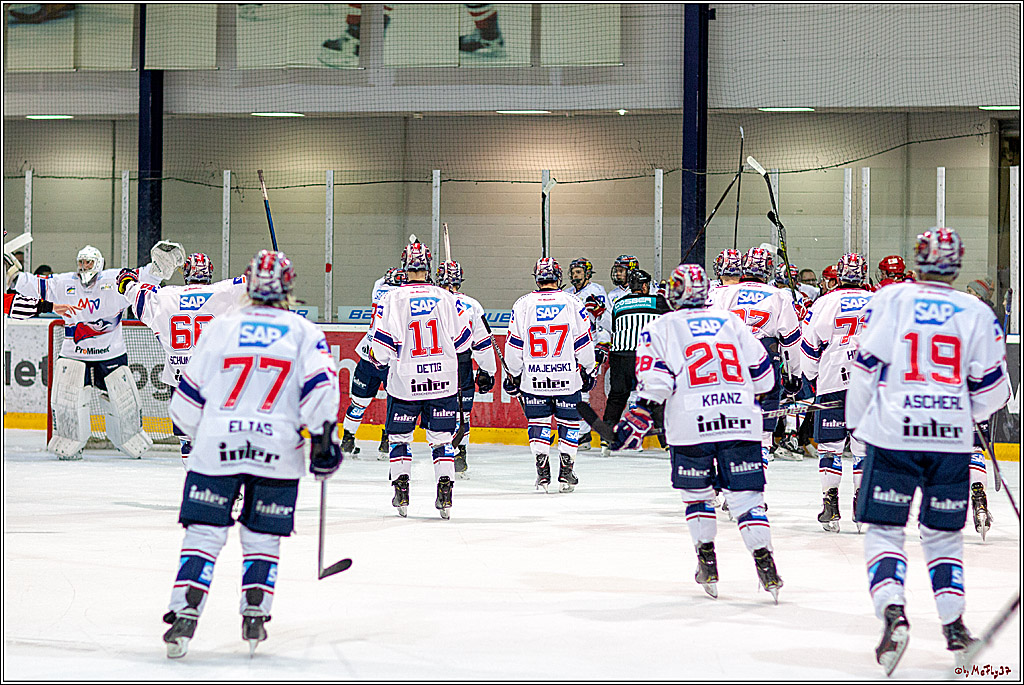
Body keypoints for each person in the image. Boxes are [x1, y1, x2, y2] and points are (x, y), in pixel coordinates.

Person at [161, 249, 341, 659]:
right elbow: (322, 391)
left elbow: (187, 401)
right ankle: (256, 609)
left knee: (204, 534)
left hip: (216, 446)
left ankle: (185, 609)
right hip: (277, 449)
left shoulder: (221, 327)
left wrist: (194, 429)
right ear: (289, 286)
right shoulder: (303, 331)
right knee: (263, 536)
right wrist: (323, 440)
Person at [846, 227, 1010, 675]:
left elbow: (864, 368)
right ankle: (956, 628)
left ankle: (894, 616)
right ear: (956, 264)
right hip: (950, 443)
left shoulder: (892, 299)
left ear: (917, 262)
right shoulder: (976, 310)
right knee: (943, 538)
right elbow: (997, 391)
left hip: (893, 437)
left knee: (884, 531)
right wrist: (959, 413)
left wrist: (859, 423)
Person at [611, 263, 782, 601]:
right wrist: (753, 401)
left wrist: (638, 417)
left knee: (698, 497)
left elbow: (657, 382)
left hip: (691, 425)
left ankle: (707, 562)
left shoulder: (659, 327)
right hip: (739, 420)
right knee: (747, 499)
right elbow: (764, 374)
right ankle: (765, 562)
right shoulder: (730, 320)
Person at [10, 242, 180, 460]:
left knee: (124, 404)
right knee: (66, 402)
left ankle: (129, 438)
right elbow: (35, 284)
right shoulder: (64, 283)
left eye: (88, 262)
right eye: (81, 262)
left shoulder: (115, 279)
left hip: (111, 356)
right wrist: (13, 275)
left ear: (98, 263)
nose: (84, 266)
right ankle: (70, 441)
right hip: (74, 355)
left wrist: (160, 267)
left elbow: (144, 277)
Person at [117, 253, 248, 466]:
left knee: (188, 441)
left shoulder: (165, 296)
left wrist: (127, 280)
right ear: (209, 272)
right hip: (216, 379)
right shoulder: (225, 291)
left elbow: (131, 290)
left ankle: (197, 484)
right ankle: (225, 481)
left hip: (181, 382)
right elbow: (258, 283)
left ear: (186, 273)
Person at [372, 237, 470, 519]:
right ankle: (445, 488)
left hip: (405, 382)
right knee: (441, 439)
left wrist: (382, 360)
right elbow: (462, 342)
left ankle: (402, 489)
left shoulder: (391, 297)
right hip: (443, 381)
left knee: (400, 438)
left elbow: (381, 346)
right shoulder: (446, 297)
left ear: (404, 265)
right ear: (428, 266)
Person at [504, 257, 596, 493]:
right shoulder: (572, 302)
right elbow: (583, 342)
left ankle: (542, 473)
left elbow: (514, 344)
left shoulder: (523, 304)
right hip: (567, 378)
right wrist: (588, 368)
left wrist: (513, 374)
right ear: (558, 277)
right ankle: (566, 473)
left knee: (539, 424)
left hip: (534, 380)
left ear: (537, 277)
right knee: (569, 424)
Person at [709, 247, 802, 469]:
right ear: (768, 270)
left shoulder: (721, 293)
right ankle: (752, 490)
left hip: (730, 360)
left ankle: (721, 488)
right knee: (762, 432)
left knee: (727, 426)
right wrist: (794, 374)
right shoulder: (780, 295)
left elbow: (709, 332)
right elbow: (790, 339)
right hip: (764, 360)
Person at [800, 253, 873, 533]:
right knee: (863, 449)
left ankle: (830, 502)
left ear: (840, 275)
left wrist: (811, 376)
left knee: (830, 448)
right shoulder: (878, 301)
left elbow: (809, 346)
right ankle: (861, 502)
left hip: (833, 382)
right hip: (869, 386)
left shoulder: (824, 302)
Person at [436, 259, 496, 477]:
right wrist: (488, 370)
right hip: (461, 363)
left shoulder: (429, 301)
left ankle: (443, 453)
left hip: (435, 364)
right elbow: (482, 343)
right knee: (463, 413)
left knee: (441, 410)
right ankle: (460, 452)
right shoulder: (472, 304)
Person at [601, 268, 670, 454]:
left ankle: (606, 438)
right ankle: (666, 441)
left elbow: (614, 327)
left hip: (620, 355)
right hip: (644, 356)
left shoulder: (618, 303)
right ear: (646, 285)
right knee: (655, 397)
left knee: (616, 397)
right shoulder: (659, 301)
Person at [341, 267, 406, 460]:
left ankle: (347, 439)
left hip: (368, 354)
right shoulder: (401, 297)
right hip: (391, 357)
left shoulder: (378, 287)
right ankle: (387, 441)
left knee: (359, 402)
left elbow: (383, 280)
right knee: (395, 402)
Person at [564, 257, 611, 452]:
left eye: (579, 272)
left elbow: (606, 320)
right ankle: (581, 433)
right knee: (574, 390)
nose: (575, 275)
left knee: (584, 388)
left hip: (589, 345)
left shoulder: (596, 291)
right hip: (570, 348)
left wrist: (602, 344)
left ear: (587, 273)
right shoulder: (566, 294)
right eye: (573, 272)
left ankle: (587, 434)